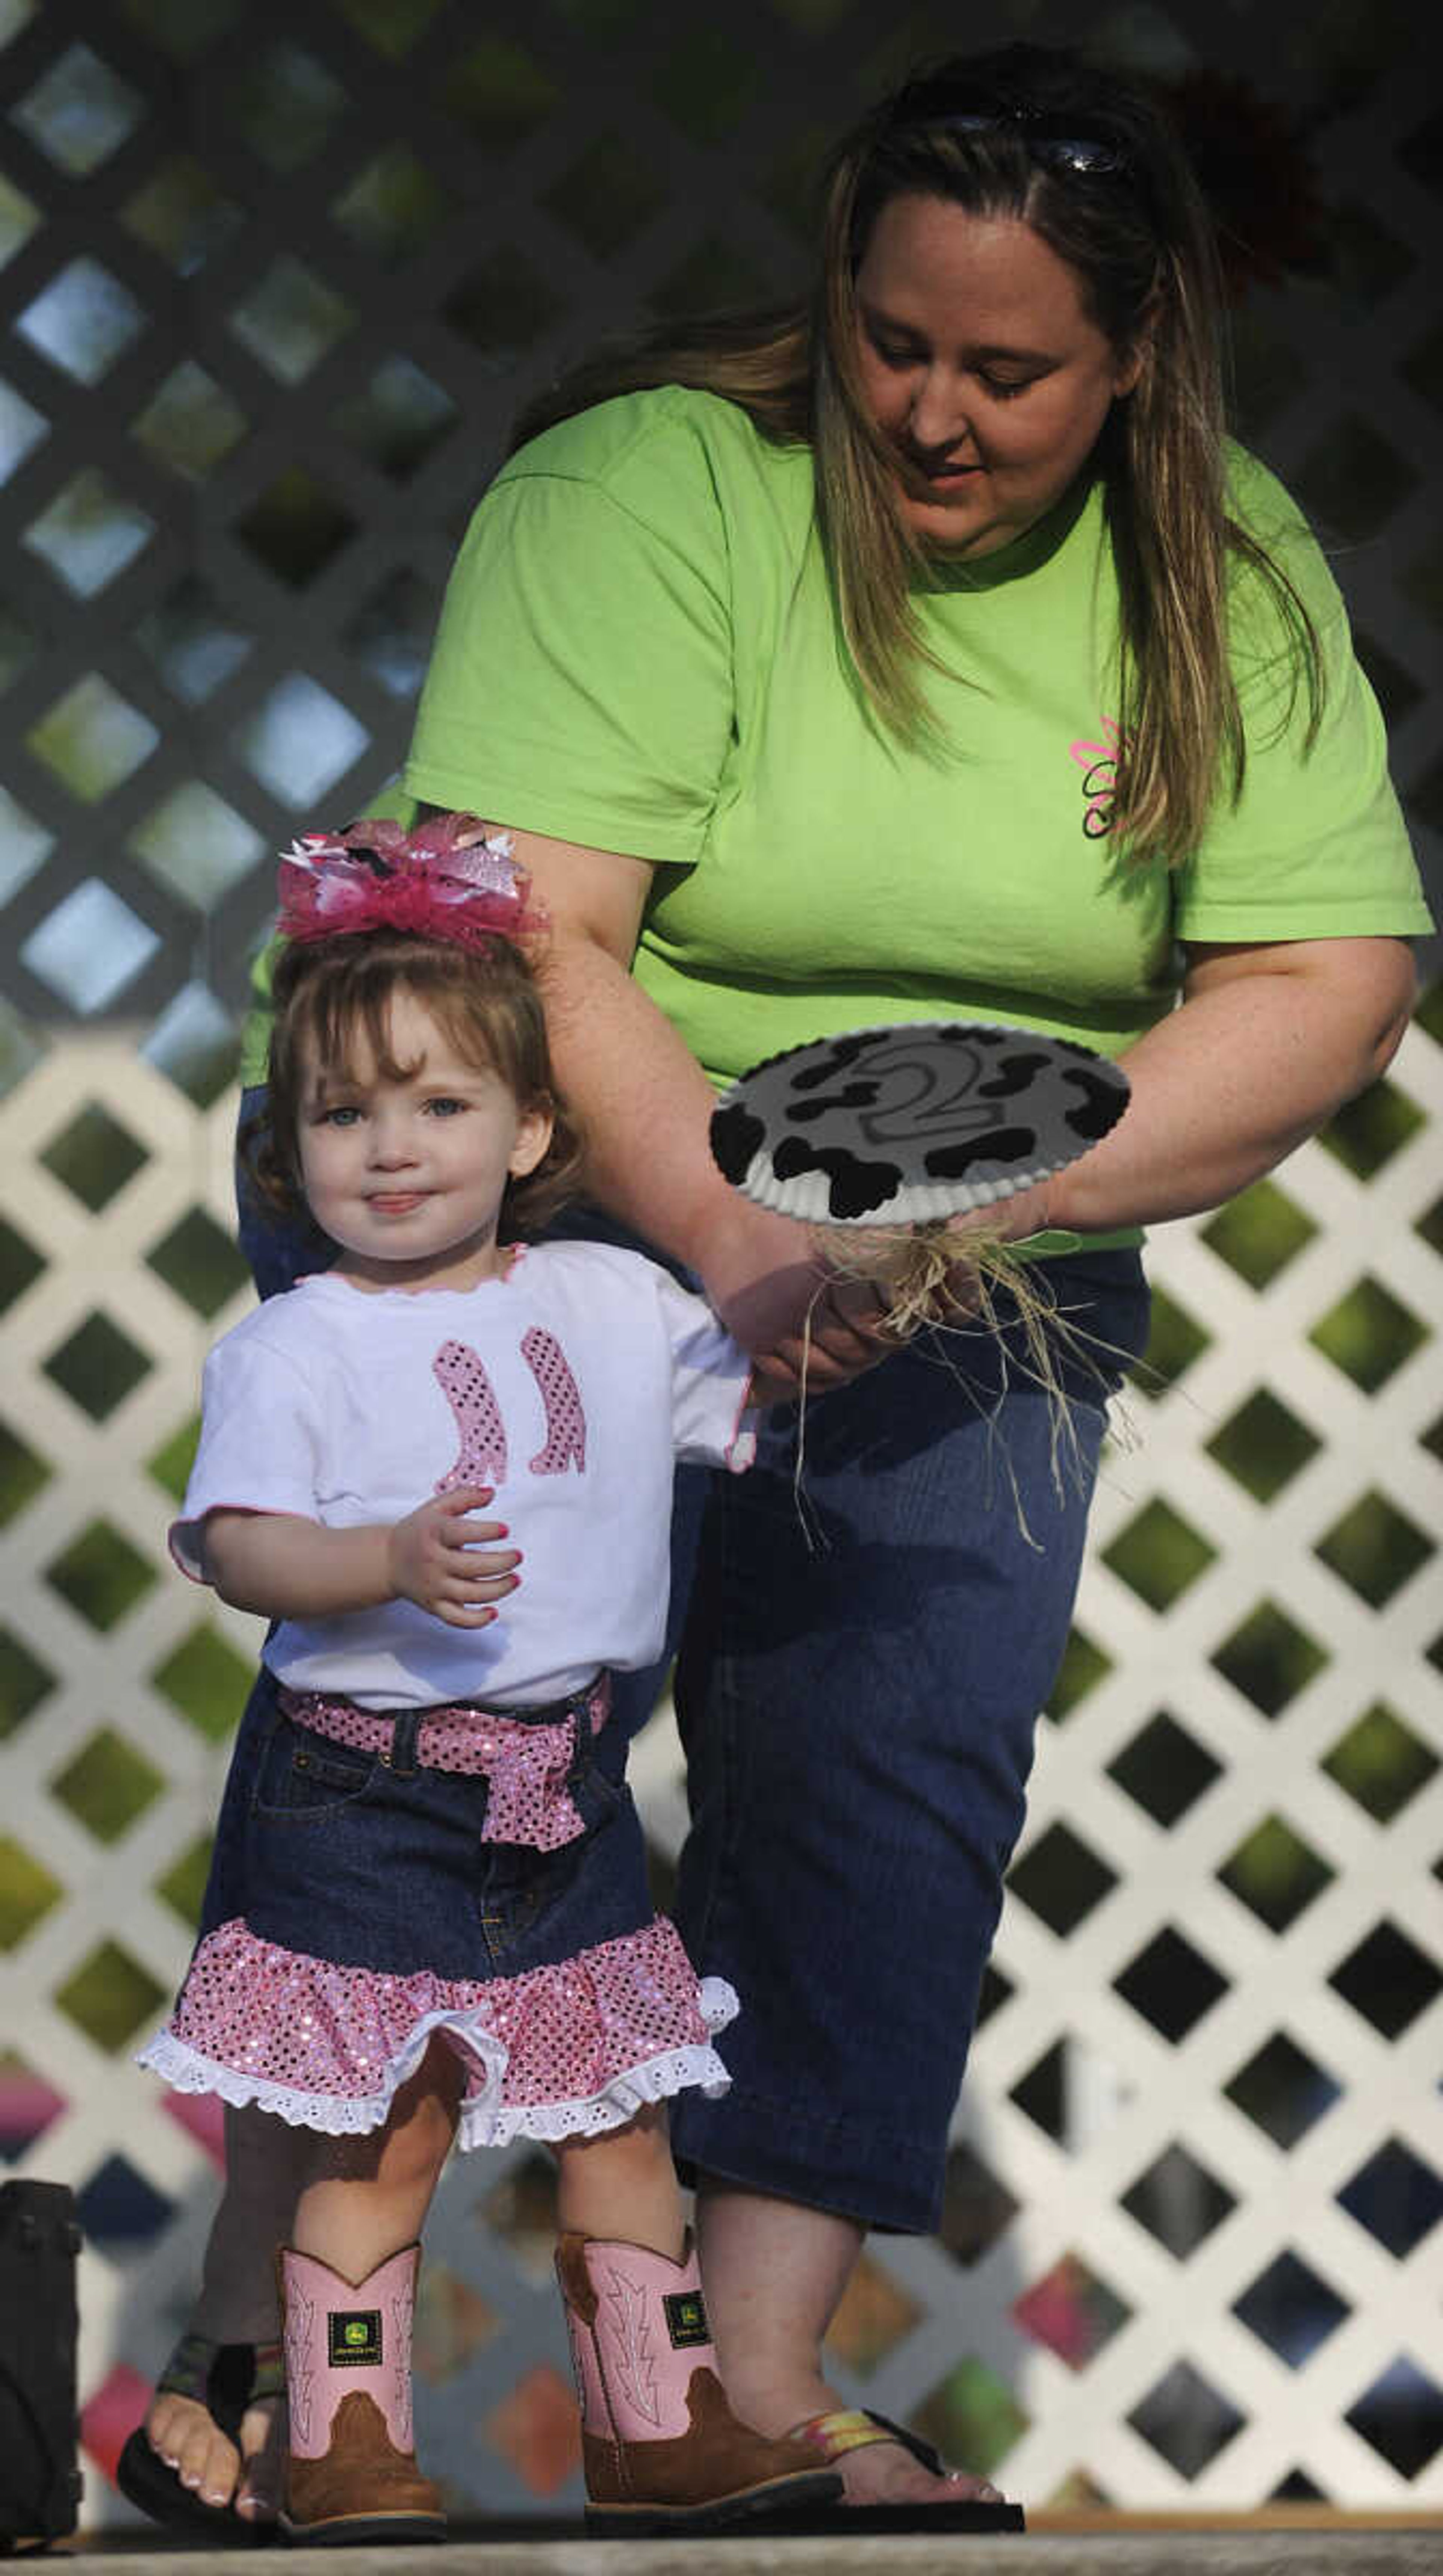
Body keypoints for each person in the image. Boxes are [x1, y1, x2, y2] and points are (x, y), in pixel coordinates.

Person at [122, 35, 1431, 2537]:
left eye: (1009, 368)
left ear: (1135, 360)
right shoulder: (646, 498)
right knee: (433, 1752)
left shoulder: (1229, 575)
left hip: (971, 1224)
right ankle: (262, 2370)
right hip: (530, 1149)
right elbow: (542, 937)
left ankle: (742, 2392)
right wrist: (733, 1249)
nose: (934, 412)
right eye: (892, 341)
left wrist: (972, 1218)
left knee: (892, 1751)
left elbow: (1324, 976)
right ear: (831, 298)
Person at [132, 817, 843, 2544]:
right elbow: (235, 1545)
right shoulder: (299, 1339)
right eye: (343, 1113)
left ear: (531, 1129)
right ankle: (346, 2440)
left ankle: (659, 2426)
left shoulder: (611, 1294)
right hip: (368, 1790)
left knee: (622, 2124)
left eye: (439, 1105)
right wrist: (374, 1559)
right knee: (386, 2136)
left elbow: (752, 1392)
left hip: (571, 1792)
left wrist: (858, 1281)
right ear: (289, 1150)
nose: (391, 1148)